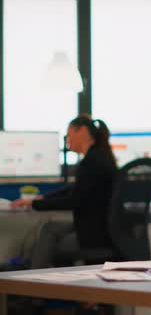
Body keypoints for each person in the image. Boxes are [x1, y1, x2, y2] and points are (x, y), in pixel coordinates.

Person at [11, 114, 117, 269]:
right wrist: (42, 198)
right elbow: (74, 189)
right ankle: (42, 281)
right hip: (100, 228)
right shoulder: (98, 157)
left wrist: (35, 203)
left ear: (81, 131)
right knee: (50, 229)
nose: (67, 139)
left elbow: (73, 200)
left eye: (69, 134)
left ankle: (34, 283)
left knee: (50, 246)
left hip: (95, 235)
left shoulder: (92, 162)